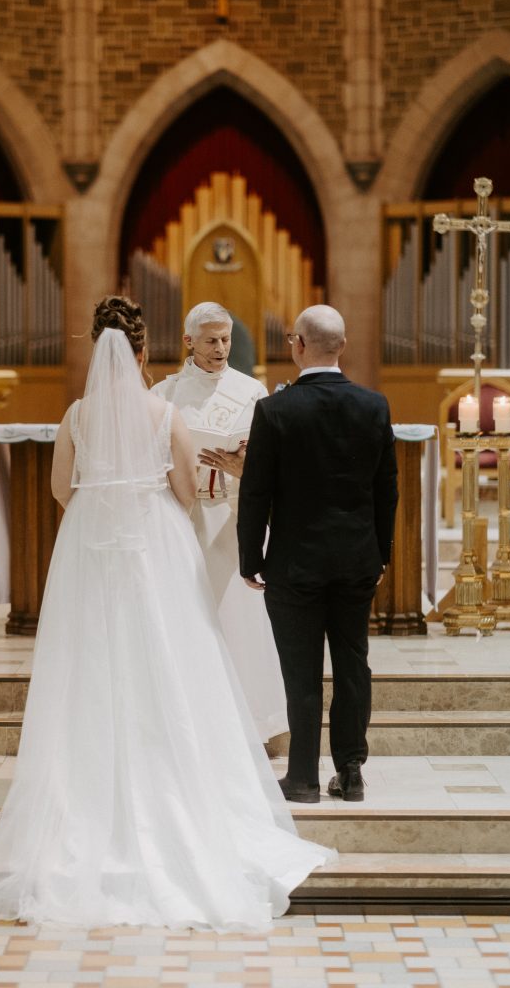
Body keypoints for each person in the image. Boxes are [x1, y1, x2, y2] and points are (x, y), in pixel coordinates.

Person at [0, 295, 331, 931]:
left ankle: (88, 792)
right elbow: (187, 490)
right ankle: (179, 788)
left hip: (91, 548)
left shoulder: (76, 416)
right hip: (157, 547)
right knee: (170, 657)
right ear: (141, 352)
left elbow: (60, 490)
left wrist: (100, 516)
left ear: (96, 350)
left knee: (94, 661)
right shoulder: (163, 411)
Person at [237, 305, 398, 805]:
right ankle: (350, 773)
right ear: (342, 347)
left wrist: (250, 559)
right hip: (355, 560)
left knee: (300, 670)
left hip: (294, 562)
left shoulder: (276, 410)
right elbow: (385, 489)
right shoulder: (374, 406)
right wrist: (381, 553)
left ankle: (303, 777)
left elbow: (256, 492)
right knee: (354, 666)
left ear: (298, 345)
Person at [152, 301, 287, 743]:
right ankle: (184, 724)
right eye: (211, 340)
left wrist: (241, 467)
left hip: (230, 517)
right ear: (188, 341)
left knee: (236, 625)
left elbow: (271, 470)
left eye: (226, 339)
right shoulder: (164, 395)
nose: (221, 348)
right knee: (184, 621)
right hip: (180, 517)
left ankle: (244, 729)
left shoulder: (252, 392)